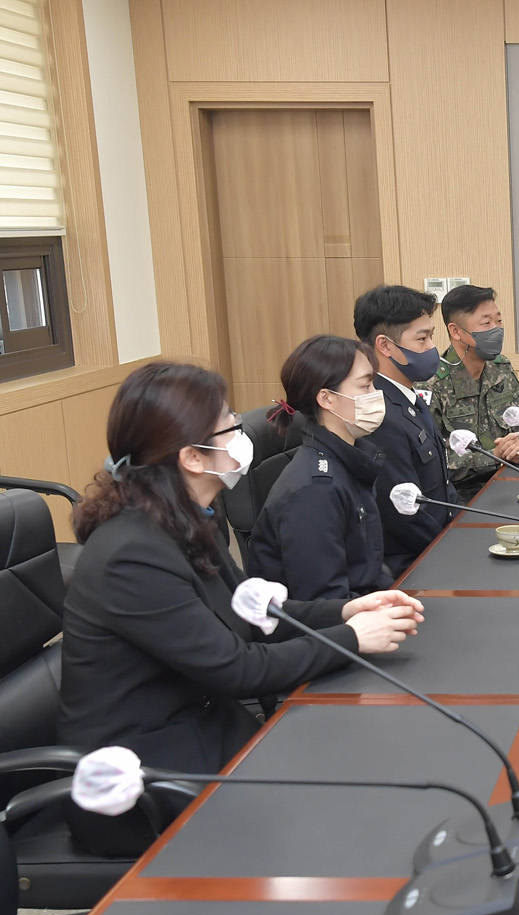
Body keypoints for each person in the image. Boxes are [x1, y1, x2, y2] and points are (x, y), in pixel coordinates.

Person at [61, 361, 423, 855]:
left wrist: (346, 611)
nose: (241, 432)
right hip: (138, 781)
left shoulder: (187, 519)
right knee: (332, 819)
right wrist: (355, 638)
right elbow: (237, 668)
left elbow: (254, 615)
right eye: (229, 425)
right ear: (192, 456)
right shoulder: (131, 555)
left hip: (206, 730)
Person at [248, 335, 393, 600]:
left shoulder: (352, 459)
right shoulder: (314, 490)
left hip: (367, 604)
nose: (375, 395)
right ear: (326, 398)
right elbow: (325, 601)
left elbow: (367, 565)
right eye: (365, 386)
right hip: (343, 619)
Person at [354, 284, 460, 572]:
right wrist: (453, 549)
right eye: (422, 339)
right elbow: (404, 514)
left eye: (431, 336)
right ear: (385, 345)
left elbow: (441, 484)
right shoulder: (380, 413)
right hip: (413, 564)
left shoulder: (407, 395)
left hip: (439, 543)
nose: (432, 348)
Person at [421, 283, 519, 501]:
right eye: (486, 323)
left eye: (499, 321)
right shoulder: (432, 384)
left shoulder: (501, 368)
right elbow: (432, 461)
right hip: (461, 498)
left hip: (511, 482)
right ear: (456, 331)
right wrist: (493, 457)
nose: (496, 329)